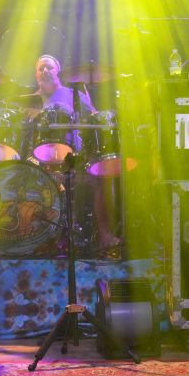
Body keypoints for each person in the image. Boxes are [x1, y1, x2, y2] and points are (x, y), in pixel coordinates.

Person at [24, 54, 121, 250]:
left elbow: (94, 118)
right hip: (42, 158)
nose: (45, 71)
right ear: (36, 75)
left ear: (58, 72)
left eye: (49, 67)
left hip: (74, 155)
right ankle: (36, 237)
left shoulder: (73, 95)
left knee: (101, 178)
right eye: (41, 68)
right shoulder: (29, 102)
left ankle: (104, 234)